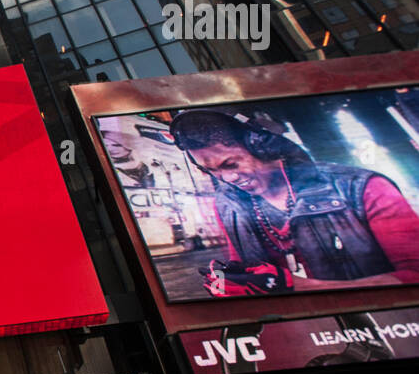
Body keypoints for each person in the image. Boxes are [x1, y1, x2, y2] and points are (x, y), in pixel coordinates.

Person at [168, 109, 419, 296]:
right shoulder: (227, 204)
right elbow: (250, 275)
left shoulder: (362, 188)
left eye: (231, 164)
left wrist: (299, 288)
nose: (227, 178)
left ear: (264, 147)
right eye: (209, 170)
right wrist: (232, 283)